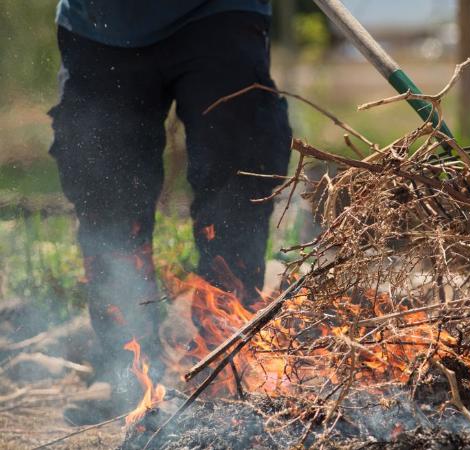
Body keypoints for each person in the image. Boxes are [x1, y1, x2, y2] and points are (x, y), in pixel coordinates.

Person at [49, 1, 292, 425]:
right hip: (101, 24)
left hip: (219, 12)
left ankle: (225, 360)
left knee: (237, 178)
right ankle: (126, 368)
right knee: (107, 194)